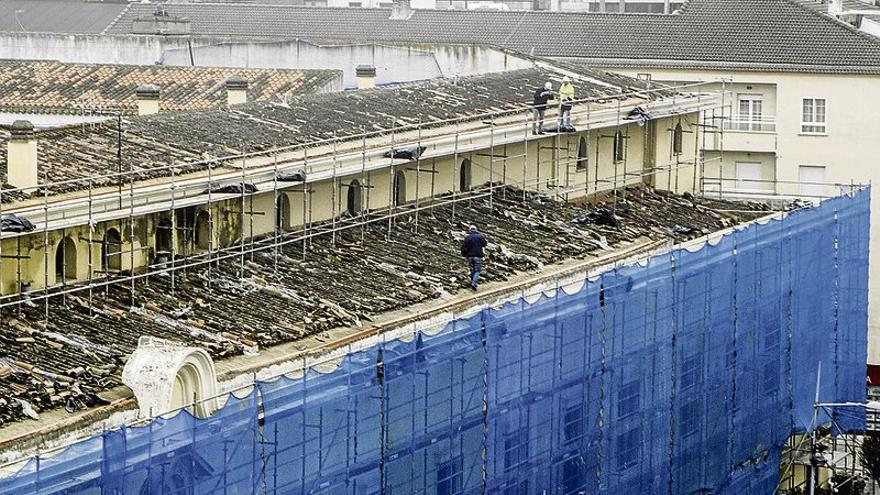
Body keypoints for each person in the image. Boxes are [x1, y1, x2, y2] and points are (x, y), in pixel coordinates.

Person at [460, 225, 488, 291]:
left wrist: (464, 255)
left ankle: (473, 281)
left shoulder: (467, 238)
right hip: (478, 256)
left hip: (469, 256)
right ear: (476, 230)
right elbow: (485, 244)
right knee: (477, 270)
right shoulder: (480, 236)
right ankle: (474, 283)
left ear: (469, 230)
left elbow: (463, 247)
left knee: (472, 270)